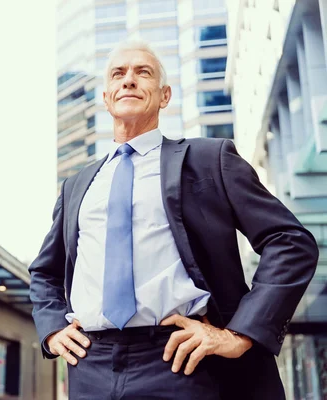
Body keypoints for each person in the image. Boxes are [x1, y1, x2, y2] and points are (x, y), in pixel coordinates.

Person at [29, 41, 319, 400]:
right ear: (106, 98)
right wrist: (53, 327)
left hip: (179, 360)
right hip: (90, 364)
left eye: (143, 72)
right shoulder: (77, 185)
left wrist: (240, 334)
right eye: (118, 74)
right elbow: (45, 271)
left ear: (164, 95)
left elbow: (290, 241)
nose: (129, 81)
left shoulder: (210, 159)